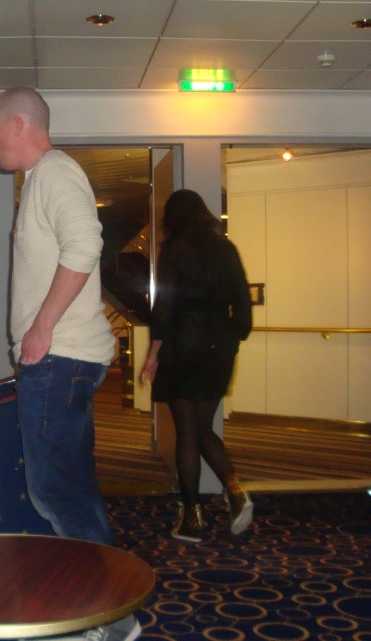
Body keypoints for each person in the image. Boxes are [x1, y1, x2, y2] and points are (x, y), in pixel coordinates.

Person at [0, 88, 140, 641]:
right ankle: (104, 610)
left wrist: (42, 327)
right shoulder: (42, 179)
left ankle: (111, 617)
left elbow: (84, 246)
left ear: (18, 124)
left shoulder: (55, 172)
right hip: (62, 360)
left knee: (55, 492)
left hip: (60, 358)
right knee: (70, 489)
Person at [140, 189, 254, 543]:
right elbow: (243, 300)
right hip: (219, 347)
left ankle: (192, 518)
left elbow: (165, 306)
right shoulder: (226, 248)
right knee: (203, 427)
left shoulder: (174, 249)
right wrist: (235, 336)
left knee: (187, 432)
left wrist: (153, 353)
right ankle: (235, 492)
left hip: (182, 346)